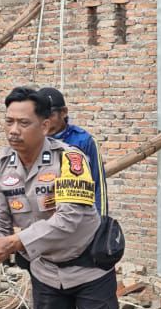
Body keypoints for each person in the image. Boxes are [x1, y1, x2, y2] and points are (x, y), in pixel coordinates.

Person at [0, 86, 123, 309]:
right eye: (9, 121)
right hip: (45, 271)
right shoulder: (0, 168)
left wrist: (16, 243)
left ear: (45, 125)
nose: (14, 130)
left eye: (23, 123)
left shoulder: (71, 160)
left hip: (88, 267)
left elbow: (69, 218)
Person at [35, 87, 109, 215]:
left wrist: (101, 224)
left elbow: (98, 187)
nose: (44, 121)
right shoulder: (34, 141)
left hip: (78, 219)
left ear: (63, 112)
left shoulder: (84, 141)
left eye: (50, 115)